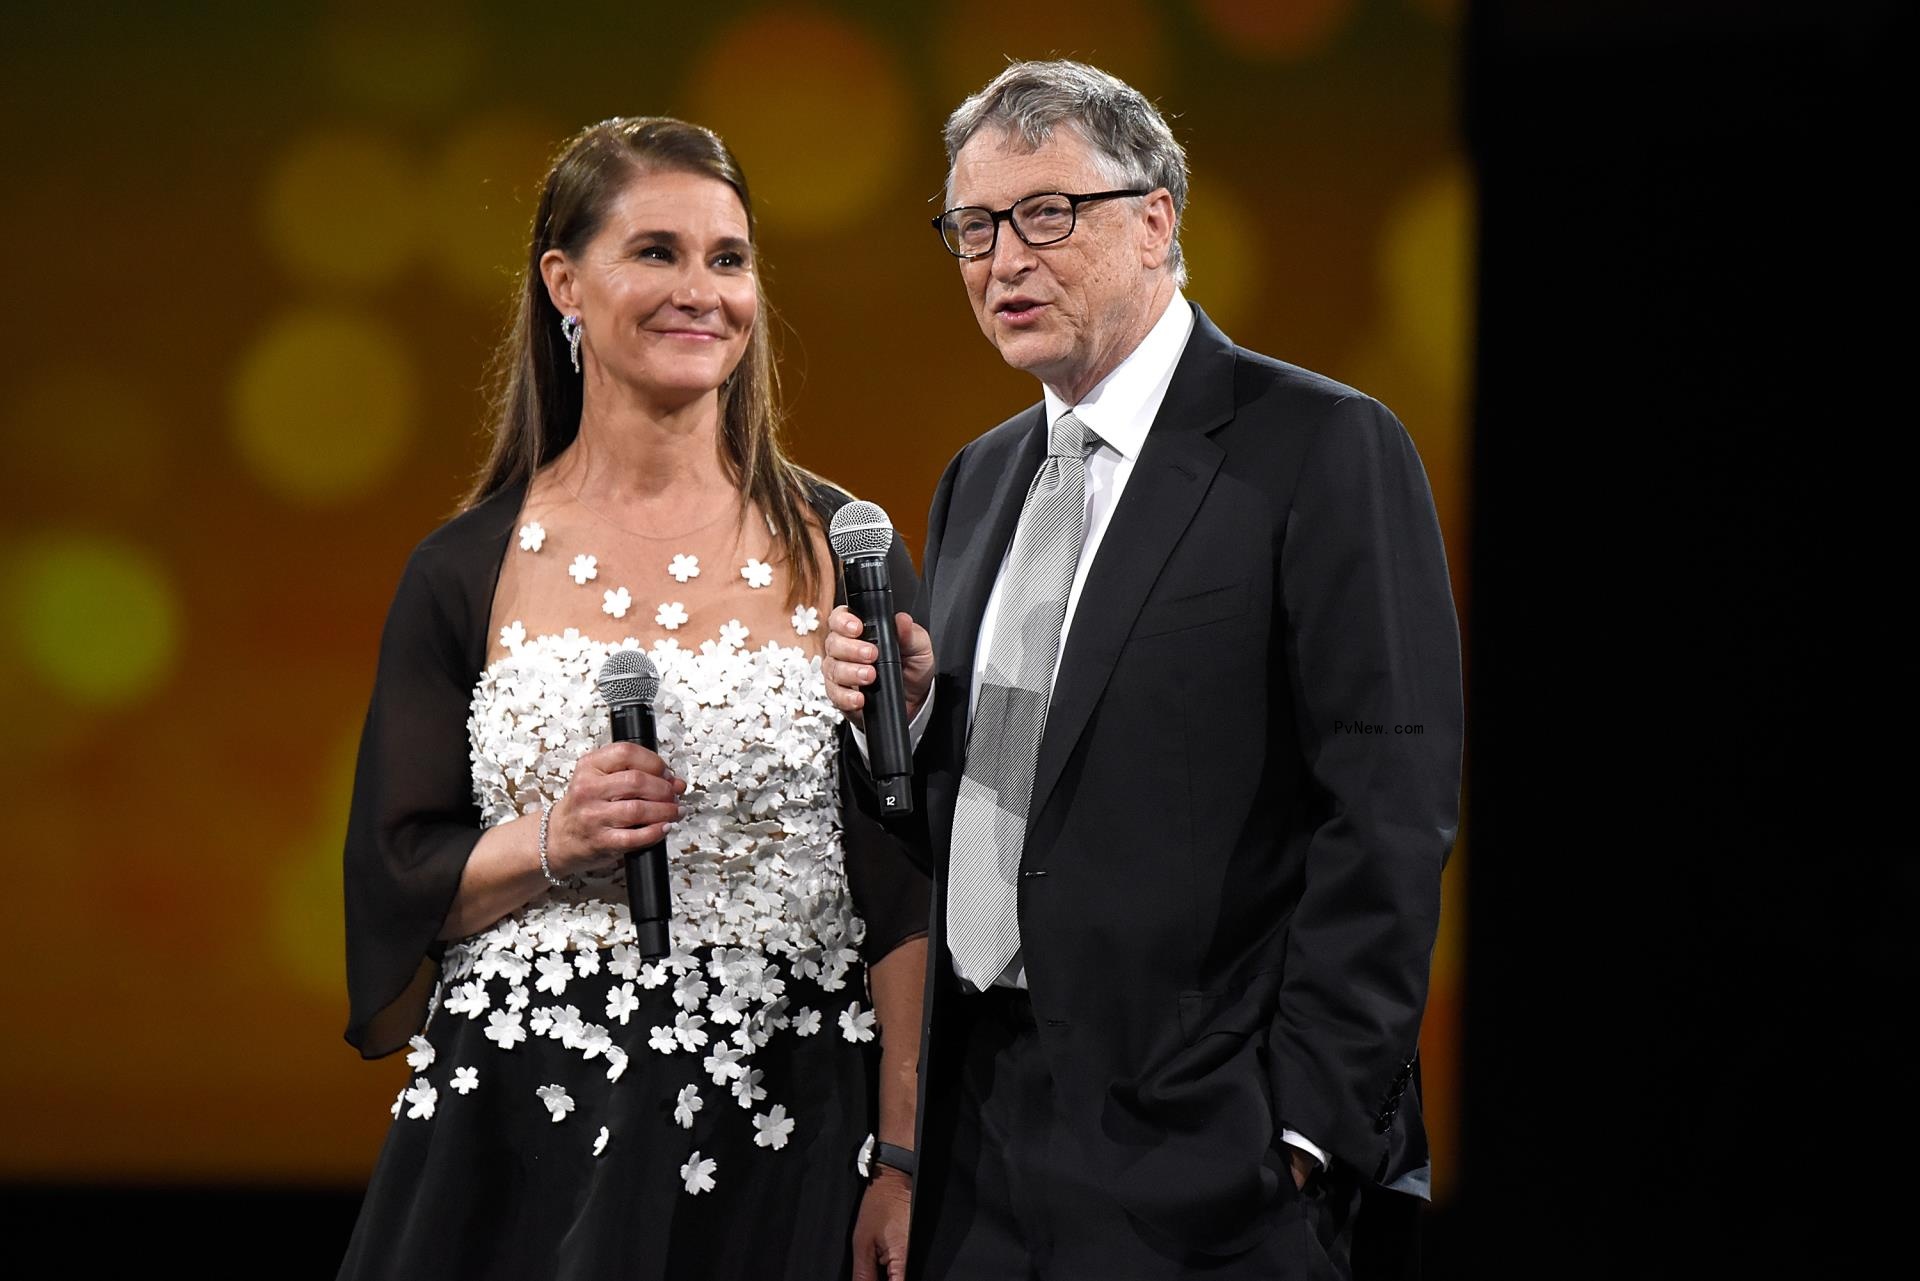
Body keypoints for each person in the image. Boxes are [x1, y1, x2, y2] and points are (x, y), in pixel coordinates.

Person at [823, 62, 1462, 1279]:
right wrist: (907, 724)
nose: (1004, 260)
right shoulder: (982, 477)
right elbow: (1010, 791)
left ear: (1157, 217)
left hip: (1210, 1152)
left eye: (1046, 214)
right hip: (985, 1137)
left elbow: (1388, 810)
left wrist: (1306, 1125)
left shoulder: (1320, 447)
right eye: (972, 227)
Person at [338, 116, 927, 1281]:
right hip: (524, 1124)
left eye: (728, 258)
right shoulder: (465, 568)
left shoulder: (843, 547)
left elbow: (904, 882)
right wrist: (552, 840)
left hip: (785, 1120)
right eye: (655, 252)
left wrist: (901, 1158)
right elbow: (397, 880)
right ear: (564, 281)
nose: (699, 291)